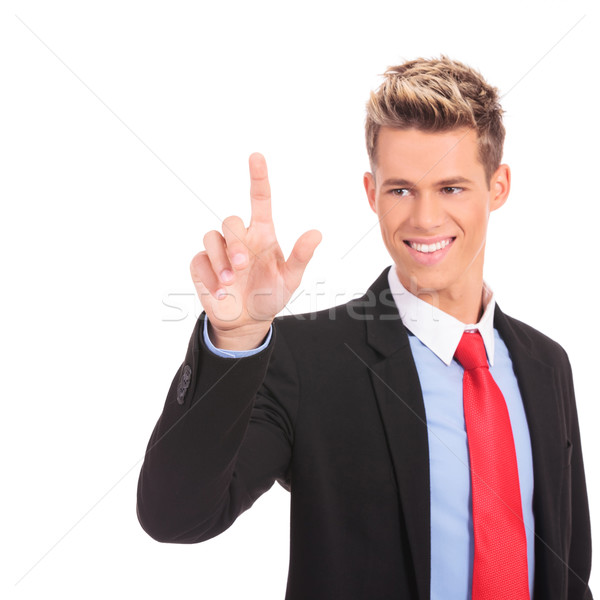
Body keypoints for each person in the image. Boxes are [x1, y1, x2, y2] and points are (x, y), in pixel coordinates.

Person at [137, 56, 593, 599]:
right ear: (371, 192)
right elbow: (176, 516)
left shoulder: (546, 364)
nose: (424, 219)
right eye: (401, 190)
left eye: (451, 188)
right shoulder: (307, 359)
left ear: (498, 187)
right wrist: (236, 336)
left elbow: (568, 571)